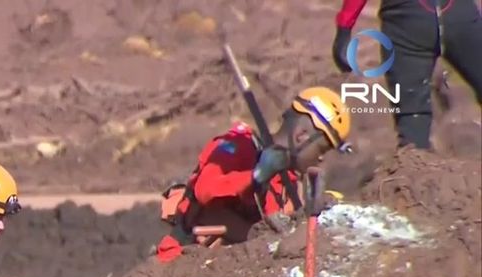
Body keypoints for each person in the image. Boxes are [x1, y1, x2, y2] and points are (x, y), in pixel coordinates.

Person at [156, 86, 353, 263]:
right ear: (301, 136)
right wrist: (256, 176)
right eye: (322, 149)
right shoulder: (237, 144)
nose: (321, 159)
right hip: (178, 262)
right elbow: (205, 189)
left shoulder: (289, 186)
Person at [332, 0, 481, 149]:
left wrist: (344, 27)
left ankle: (416, 157)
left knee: (412, 118)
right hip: (459, 12)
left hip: (406, 20)